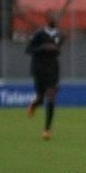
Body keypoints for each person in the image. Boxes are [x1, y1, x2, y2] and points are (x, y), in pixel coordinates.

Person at [26, 12, 63, 140]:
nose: (54, 20)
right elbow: (28, 49)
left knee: (51, 97)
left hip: (52, 70)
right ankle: (34, 103)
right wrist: (43, 48)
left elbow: (58, 49)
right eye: (52, 18)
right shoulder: (39, 34)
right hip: (39, 69)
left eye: (55, 18)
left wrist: (54, 49)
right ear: (47, 20)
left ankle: (47, 130)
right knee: (41, 98)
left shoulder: (59, 34)